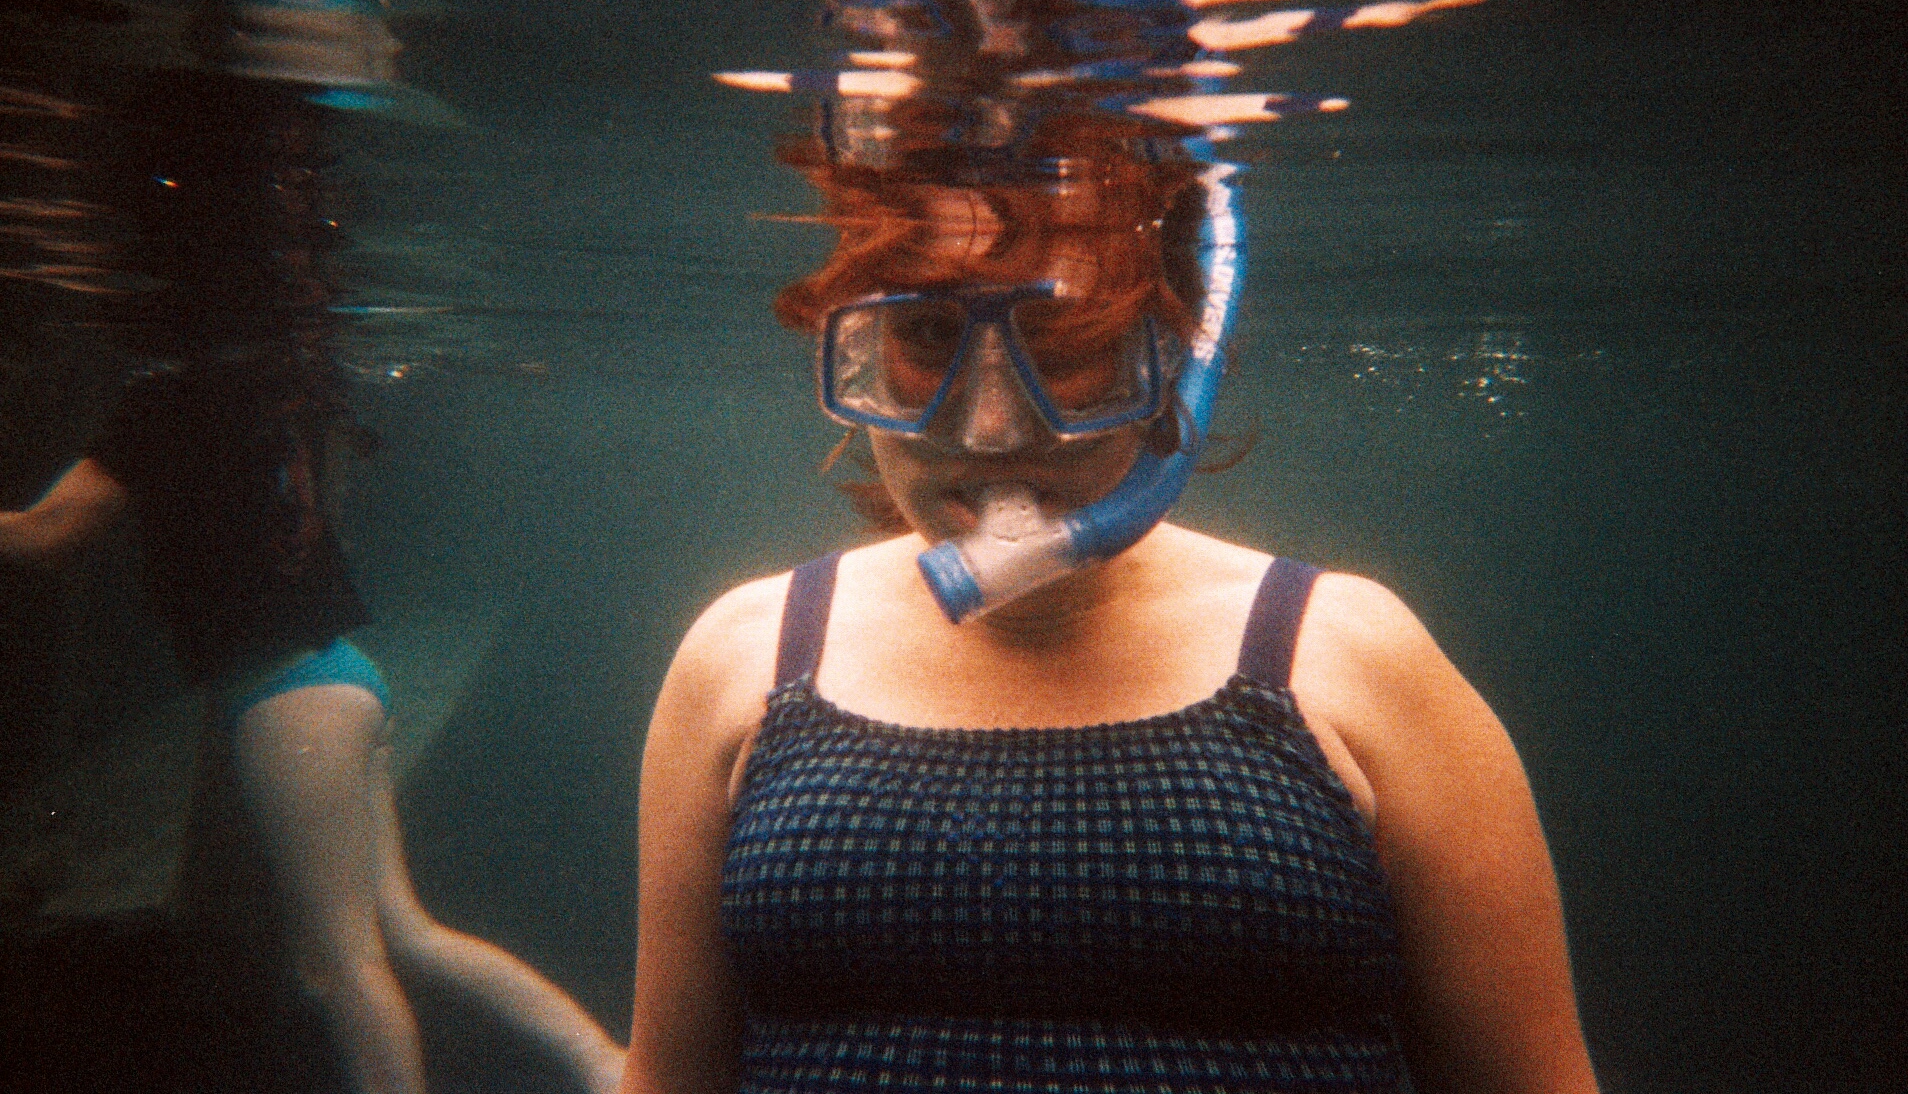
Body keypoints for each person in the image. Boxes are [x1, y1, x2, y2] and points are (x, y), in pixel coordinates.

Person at [619, 111, 1601, 1094]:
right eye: (925, 336)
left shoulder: (1349, 661)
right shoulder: (746, 658)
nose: (994, 427)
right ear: (858, 350)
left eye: (1063, 345)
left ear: (1174, 354)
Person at [0, 80, 625, 1094]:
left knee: (337, 968)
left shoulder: (156, 403)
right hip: (341, 674)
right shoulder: (274, 383)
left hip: (286, 699)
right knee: (407, 938)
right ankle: (608, 1062)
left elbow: (45, 534)